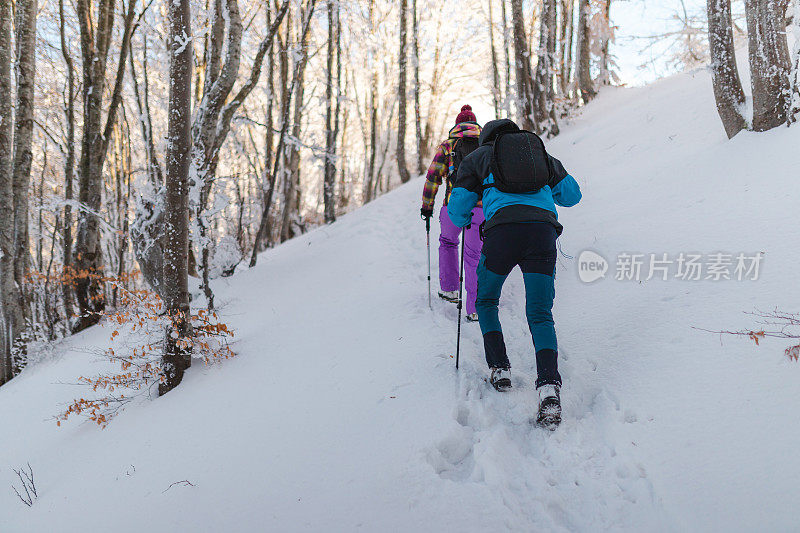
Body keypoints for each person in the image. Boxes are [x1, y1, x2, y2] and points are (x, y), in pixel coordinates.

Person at [446, 118, 582, 428]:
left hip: (502, 235)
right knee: (540, 313)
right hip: (542, 234)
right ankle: (549, 388)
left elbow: (457, 211)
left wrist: (468, 213)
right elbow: (572, 195)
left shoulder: (478, 158)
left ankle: (500, 368)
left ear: (487, 138)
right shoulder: (539, 156)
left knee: (486, 301)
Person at [420, 105, 483, 322]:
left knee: (448, 241)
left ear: (457, 126)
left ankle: (450, 289)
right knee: (474, 256)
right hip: (482, 208)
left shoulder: (448, 146)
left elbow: (433, 177)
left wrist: (427, 207)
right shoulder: (487, 145)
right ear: (475, 125)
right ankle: (475, 309)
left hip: (453, 206)